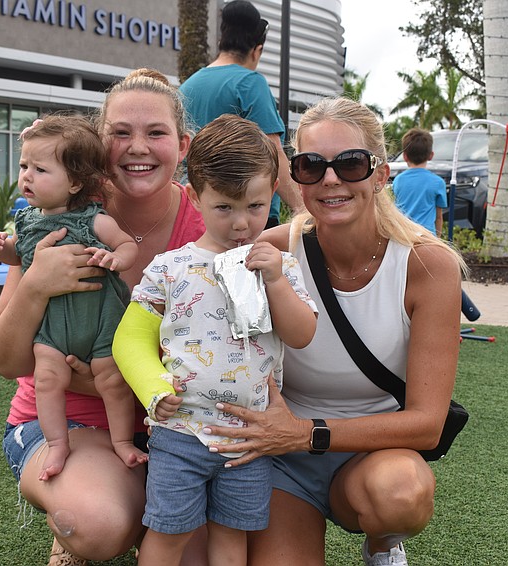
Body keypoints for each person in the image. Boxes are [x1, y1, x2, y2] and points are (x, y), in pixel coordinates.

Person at [202, 97, 466, 566]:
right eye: (310, 165)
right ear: (297, 180)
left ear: (381, 175)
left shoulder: (427, 266)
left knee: (402, 493)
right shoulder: (273, 251)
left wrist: (305, 433)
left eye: (350, 163)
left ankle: (383, 545)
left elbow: (427, 425)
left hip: (369, 455)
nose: (330, 179)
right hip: (280, 460)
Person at [0, 68, 205, 566]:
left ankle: (145, 504)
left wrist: (109, 379)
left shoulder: (206, 223)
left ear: (183, 144)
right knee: (97, 523)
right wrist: (36, 280)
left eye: (156, 133)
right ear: (94, 147)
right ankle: (94, 510)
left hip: (180, 426)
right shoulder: (57, 219)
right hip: (66, 422)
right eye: (120, 133)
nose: (137, 147)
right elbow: (5, 360)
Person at [112, 114, 318, 565]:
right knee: (167, 535)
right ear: (195, 197)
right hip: (179, 431)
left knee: (231, 537)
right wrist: (154, 388)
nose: (242, 224)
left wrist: (277, 281)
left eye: (256, 206)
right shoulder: (169, 268)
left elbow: (301, 334)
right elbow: (128, 341)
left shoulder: (279, 266)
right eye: (225, 207)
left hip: (249, 438)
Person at [0, 114, 147, 481]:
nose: (26, 176)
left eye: (40, 169)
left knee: (113, 382)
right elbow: (20, 256)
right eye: (25, 165)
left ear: (74, 182)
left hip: (101, 324)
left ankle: (122, 442)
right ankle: (57, 443)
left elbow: (125, 244)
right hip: (54, 330)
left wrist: (115, 258)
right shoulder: (27, 221)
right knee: (46, 379)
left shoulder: (93, 220)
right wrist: (2, 249)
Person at [179, 0, 302, 228]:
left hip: (195, 211)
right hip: (245, 218)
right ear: (257, 50)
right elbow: (273, 152)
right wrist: (304, 211)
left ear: (220, 42)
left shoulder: (187, 87)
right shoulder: (249, 83)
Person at [392, 127, 448, 237]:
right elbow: (439, 217)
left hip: (404, 236)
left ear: (405, 156)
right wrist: (438, 241)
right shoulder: (438, 183)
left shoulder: (398, 180)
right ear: (431, 155)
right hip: (427, 238)